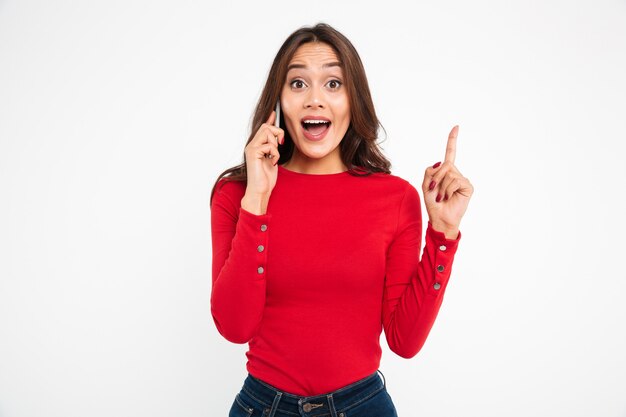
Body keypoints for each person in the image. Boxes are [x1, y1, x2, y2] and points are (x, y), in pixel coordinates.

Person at [209, 22, 473, 417]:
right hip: (263, 407)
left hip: (363, 406)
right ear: (278, 100)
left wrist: (443, 234)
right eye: (298, 84)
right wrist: (257, 201)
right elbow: (234, 327)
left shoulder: (395, 198)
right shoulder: (237, 194)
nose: (315, 99)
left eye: (333, 83)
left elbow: (404, 340)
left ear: (354, 99)